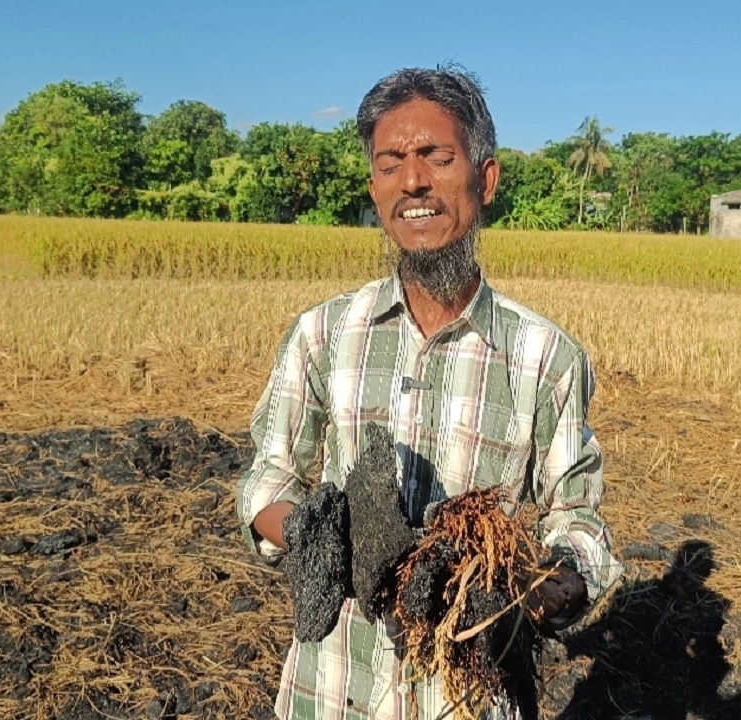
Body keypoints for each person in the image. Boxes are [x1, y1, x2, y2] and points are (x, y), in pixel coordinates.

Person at [236, 65, 623, 720]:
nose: (412, 181)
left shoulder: (545, 357)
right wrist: (316, 533)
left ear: (486, 178)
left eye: (436, 158)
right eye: (391, 163)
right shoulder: (321, 335)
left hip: (469, 696)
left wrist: (538, 581)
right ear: (374, 187)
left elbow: (576, 519)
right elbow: (265, 481)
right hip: (332, 694)